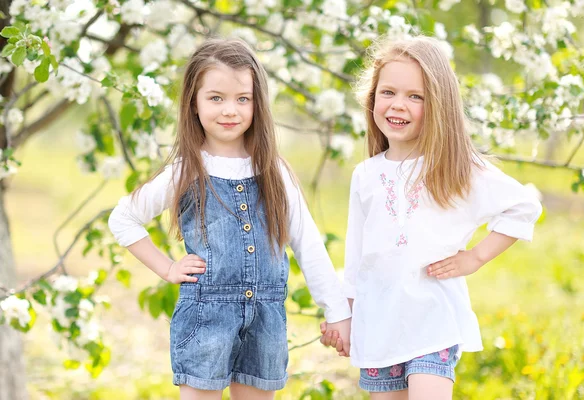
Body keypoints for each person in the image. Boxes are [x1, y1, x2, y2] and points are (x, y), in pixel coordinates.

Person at [108, 37, 351, 400]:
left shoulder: (274, 171)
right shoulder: (187, 170)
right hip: (207, 319)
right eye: (216, 98)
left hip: (266, 321)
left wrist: (336, 312)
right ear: (193, 101)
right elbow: (123, 218)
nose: (230, 110)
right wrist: (167, 268)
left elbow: (308, 243)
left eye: (243, 99)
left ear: (258, 103)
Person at [320, 35, 542, 399]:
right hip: (379, 325)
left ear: (438, 105)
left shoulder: (456, 167)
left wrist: (475, 257)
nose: (398, 105)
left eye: (415, 97)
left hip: (433, 322)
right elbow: (358, 255)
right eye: (388, 92)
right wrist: (346, 313)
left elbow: (523, 205)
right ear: (372, 98)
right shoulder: (366, 175)